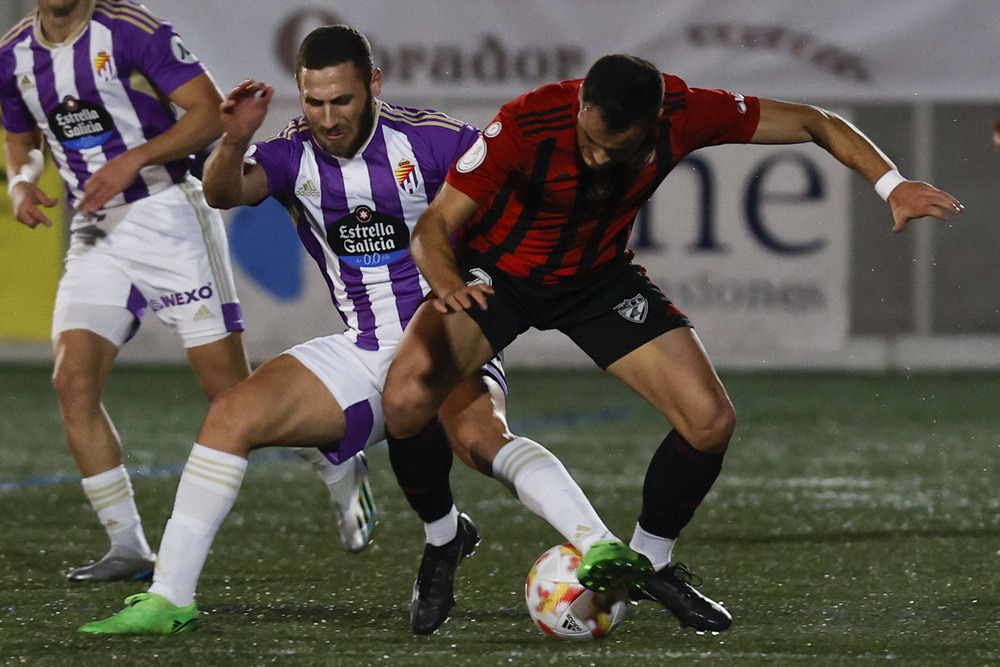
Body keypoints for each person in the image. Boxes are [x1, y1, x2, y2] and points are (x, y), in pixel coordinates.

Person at [78, 25, 647, 636]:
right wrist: (234, 137)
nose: (328, 118)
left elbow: (513, 181)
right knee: (229, 417)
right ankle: (170, 598)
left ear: (373, 84)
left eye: (342, 101)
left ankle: (599, 545)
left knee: (481, 437)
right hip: (364, 348)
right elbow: (223, 192)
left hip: (445, 337)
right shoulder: (293, 152)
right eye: (314, 102)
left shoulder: (431, 142)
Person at [381, 54, 965, 633]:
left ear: (654, 122)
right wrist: (447, 280)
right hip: (496, 280)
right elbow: (434, 225)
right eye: (592, 143)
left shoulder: (685, 114)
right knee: (406, 400)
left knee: (710, 422)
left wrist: (891, 183)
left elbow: (816, 121)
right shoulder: (525, 123)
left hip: (596, 283)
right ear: (581, 107)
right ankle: (442, 540)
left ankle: (651, 563)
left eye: (618, 150)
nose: (600, 159)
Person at [0, 0, 374, 583]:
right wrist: (21, 182)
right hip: (97, 227)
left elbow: (209, 115)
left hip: (170, 213)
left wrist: (133, 160)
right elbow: (19, 136)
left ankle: (336, 455)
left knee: (231, 399)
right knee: (72, 380)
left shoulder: (130, 30)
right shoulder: (14, 54)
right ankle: (128, 544)